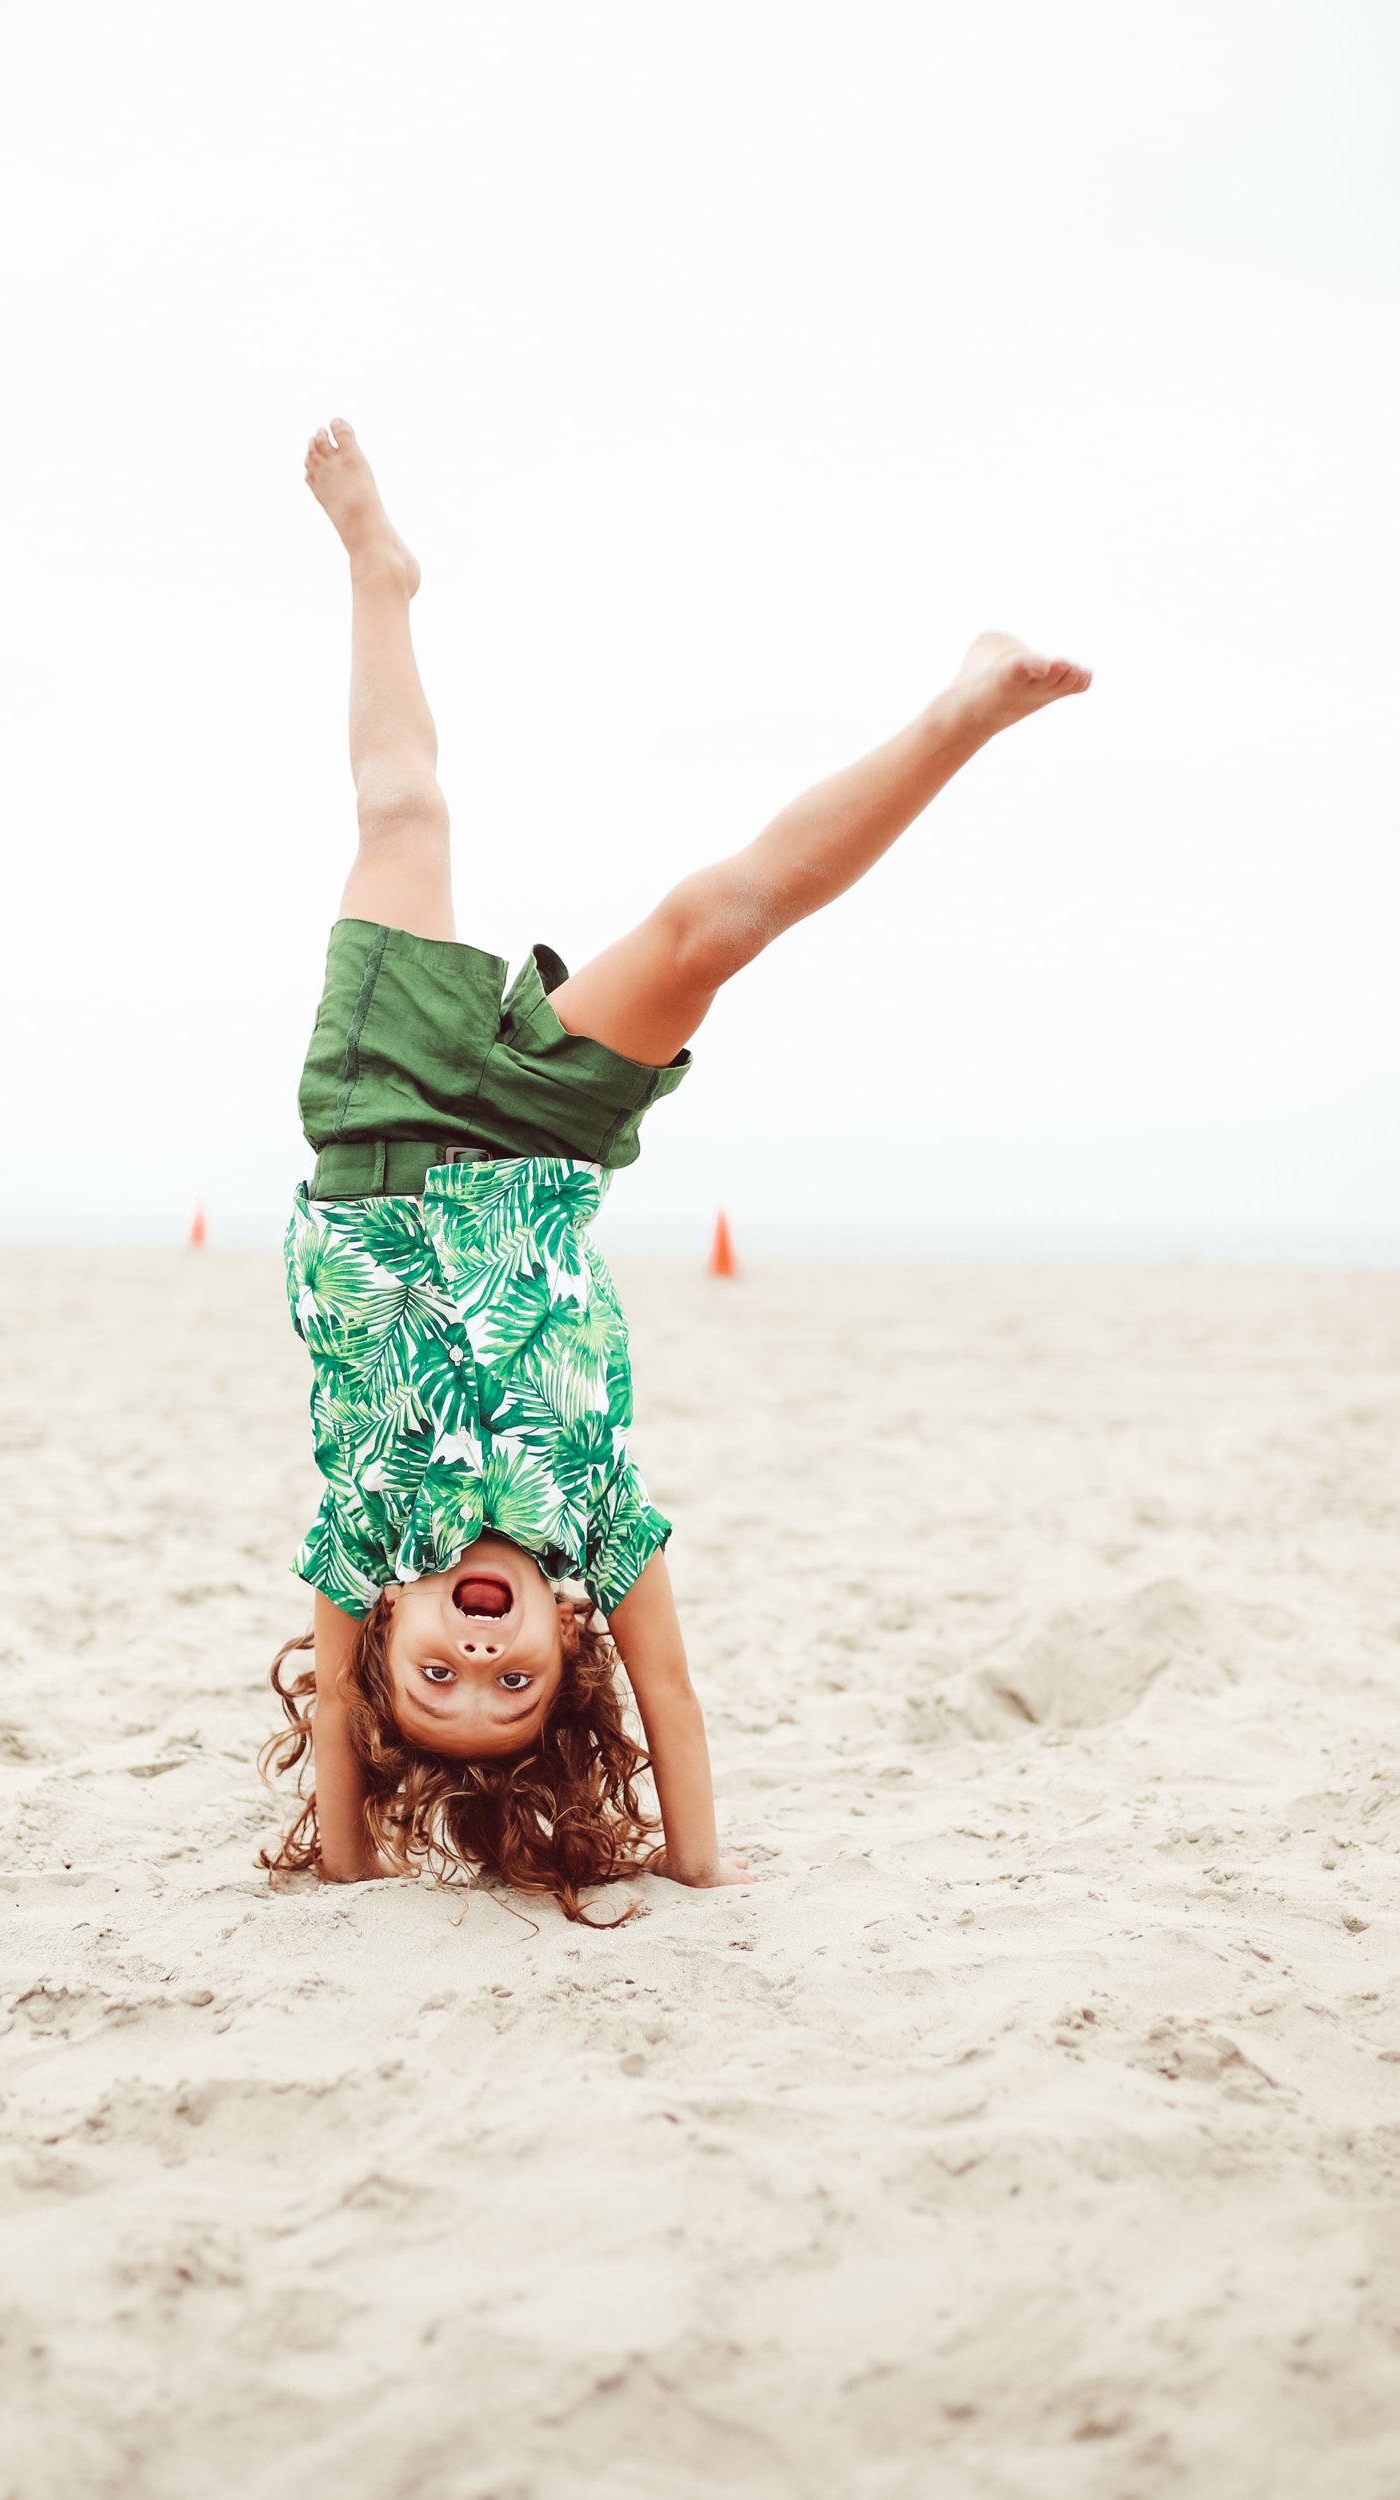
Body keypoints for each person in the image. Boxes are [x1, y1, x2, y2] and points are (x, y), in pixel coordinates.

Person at [259, 419, 1090, 1923]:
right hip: (541, 1148)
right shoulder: (605, 1528)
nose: (477, 1652)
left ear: (385, 1636)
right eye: (507, 1683)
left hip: (373, 1124)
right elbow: (682, 1710)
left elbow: (331, 1739)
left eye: (437, 1674)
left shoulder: (358, 1533)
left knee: (402, 813)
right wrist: (697, 1864)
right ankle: (962, 714)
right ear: (568, 1656)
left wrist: (350, 1862)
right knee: (714, 925)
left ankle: (380, 570)